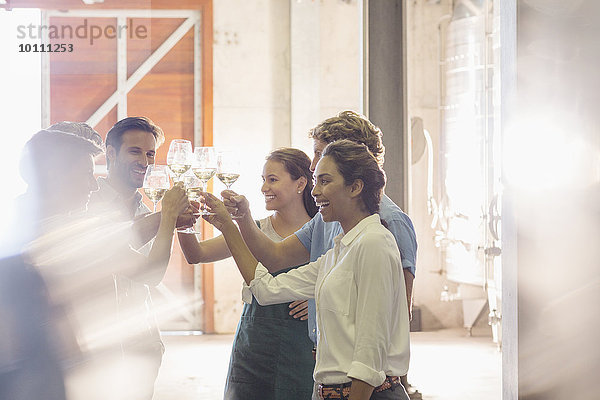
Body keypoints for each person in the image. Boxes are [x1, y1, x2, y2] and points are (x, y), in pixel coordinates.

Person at [222, 111, 418, 398]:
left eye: (323, 178)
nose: (313, 191)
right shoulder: (339, 245)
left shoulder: (376, 240)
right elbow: (266, 286)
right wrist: (232, 222)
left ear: (355, 183)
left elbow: (371, 347)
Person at [178, 148, 318, 399]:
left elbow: (347, 280)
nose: (264, 187)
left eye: (272, 179)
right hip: (254, 340)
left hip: (303, 344)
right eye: (262, 179)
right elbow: (196, 255)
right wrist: (183, 224)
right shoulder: (254, 228)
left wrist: (319, 298)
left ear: (301, 183)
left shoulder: (321, 232)